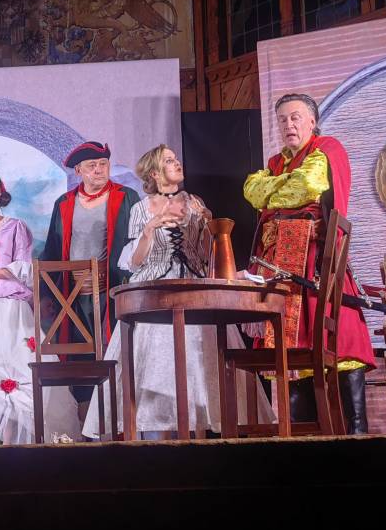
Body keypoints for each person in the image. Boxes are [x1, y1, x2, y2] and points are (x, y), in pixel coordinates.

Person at [82, 144, 275, 438]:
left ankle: (201, 442)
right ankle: (156, 446)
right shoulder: (140, 208)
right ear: (155, 173)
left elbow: (206, 258)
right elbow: (135, 262)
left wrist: (208, 224)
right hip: (154, 294)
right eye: (169, 161)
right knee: (155, 376)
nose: (177, 163)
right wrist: (150, 229)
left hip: (193, 292)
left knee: (199, 373)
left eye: (176, 159)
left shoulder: (195, 203)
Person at [243, 93, 375, 434]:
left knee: (340, 338)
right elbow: (252, 191)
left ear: (312, 121)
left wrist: (275, 193)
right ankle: (304, 439)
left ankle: (356, 435)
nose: (288, 124)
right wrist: (278, 190)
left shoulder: (327, 148)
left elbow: (306, 186)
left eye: (295, 117)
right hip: (280, 266)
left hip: (316, 262)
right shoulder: (276, 162)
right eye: (282, 119)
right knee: (290, 351)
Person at [0, 169, 80, 445]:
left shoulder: (15, 227)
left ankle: (13, 447)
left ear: (0, 190)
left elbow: (23, 269)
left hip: (11, 310)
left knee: (17, 376)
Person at [40, 141, 140, 423]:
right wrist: (46, 295)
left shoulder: (126, 197)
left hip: (111, 291)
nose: (99, 170)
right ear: (78, 171)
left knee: (113, 354)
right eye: (92, 166)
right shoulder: (65, 203)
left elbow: (137, 242)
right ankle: (86, 428)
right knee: (79, 360)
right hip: (72, 295)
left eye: (103, 164)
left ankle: (118, 425)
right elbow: (52, 249)